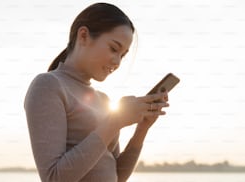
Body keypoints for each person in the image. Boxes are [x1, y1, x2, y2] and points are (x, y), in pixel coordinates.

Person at [24, 3, 169, 182]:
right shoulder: (48, 86)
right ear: (83, 35)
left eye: (123, 55)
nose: (117, 62)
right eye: (114, 49)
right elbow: (54, 178)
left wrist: (142, 129)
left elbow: (117, 176)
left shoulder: (103, 100)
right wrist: (115, 122)